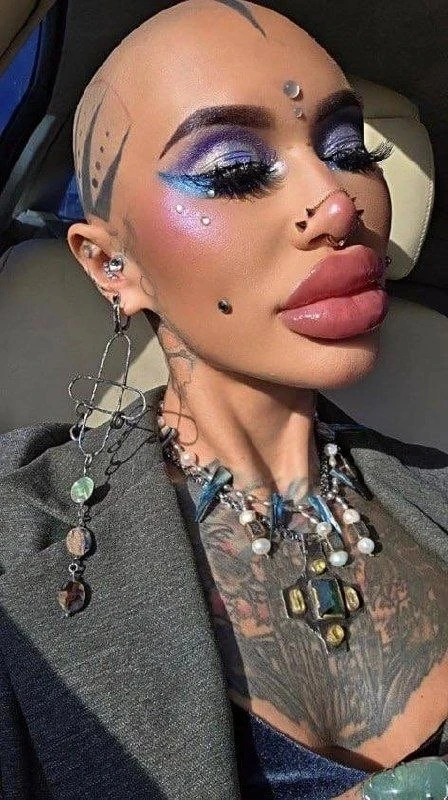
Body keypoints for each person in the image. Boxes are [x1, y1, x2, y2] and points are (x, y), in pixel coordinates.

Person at [0, 1, 447, 798]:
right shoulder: (20, 542)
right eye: (235, 171)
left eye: (350, 151)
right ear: (111, 266)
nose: (337, 203)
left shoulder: (434, 488)